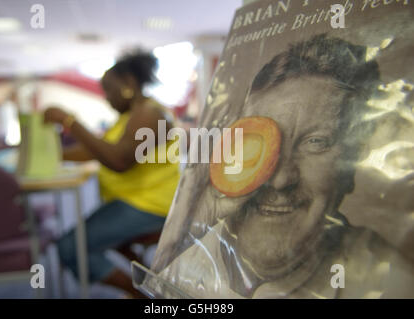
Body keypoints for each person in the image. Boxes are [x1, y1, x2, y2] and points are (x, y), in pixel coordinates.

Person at [154, 34, 414, 298]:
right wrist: (186, 230)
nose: (279, 179)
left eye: (316, 141)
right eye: (259, 142)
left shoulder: (391, 283)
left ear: (350, 166)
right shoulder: (185, 243)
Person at [43, 52, 180, 297]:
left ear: (128, 82)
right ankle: (147, 285)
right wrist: (50, 154)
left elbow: (118, 160)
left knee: (70, 246)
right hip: (133, 202)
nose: (107, 99)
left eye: (108, 90)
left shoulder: (149, 115)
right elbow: (96, 151)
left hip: (149, 205)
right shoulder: (131, 117)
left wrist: (69, 121)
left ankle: (144, 295)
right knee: (93, 240)